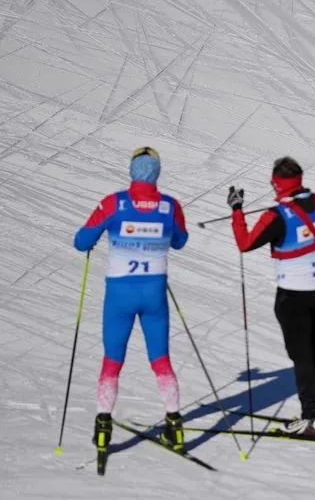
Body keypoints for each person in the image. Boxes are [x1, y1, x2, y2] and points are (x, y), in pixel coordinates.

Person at [73, 147, 190, 453]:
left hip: (120, 295)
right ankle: (175, 426)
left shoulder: (115, 203)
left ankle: (102, 427)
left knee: (112, 360)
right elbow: (180, 241)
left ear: (132, 169)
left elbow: (81, 241)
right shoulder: (170, 206)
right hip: (154, 294)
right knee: (160, 360)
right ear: (157, 172)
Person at [228, 157, 315, 438]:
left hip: (294, 293)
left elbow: (245, 243)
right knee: (314, 346)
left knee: (302, 354)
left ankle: (312, 418)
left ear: (276, 183)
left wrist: (236, 209)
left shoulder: (277, 215)